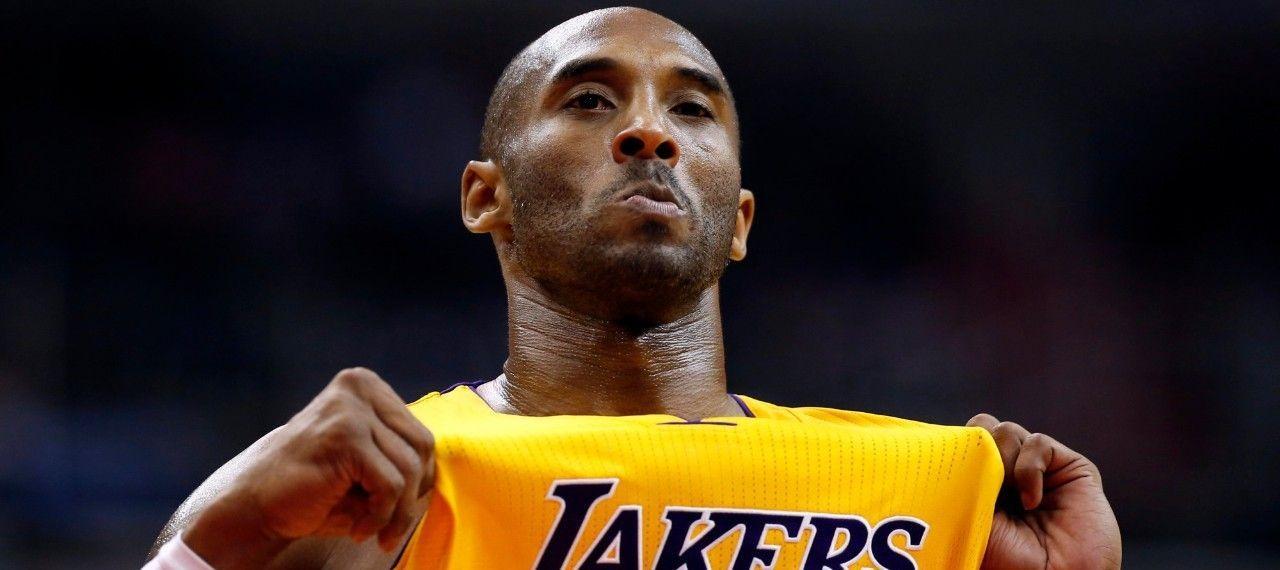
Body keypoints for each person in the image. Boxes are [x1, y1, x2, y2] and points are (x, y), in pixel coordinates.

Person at [147, 7, 1121, 569]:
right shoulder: (384, 498)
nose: (649, 132)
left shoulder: (923, 507)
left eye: (691, 110)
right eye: (588, 99)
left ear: (738, 220)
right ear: (486, 197)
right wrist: (224, 532)